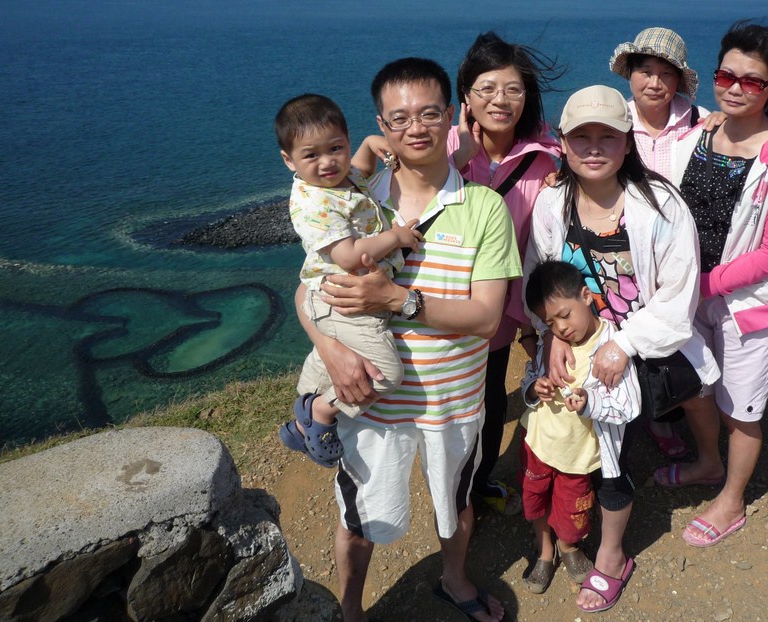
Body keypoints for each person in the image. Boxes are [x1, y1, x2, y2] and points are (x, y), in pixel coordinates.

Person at [306, 58, 519, 622]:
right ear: (381, 123)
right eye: (399, 118)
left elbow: (486, 319)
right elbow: (307, 288)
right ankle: (351, 609)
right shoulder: (355, 200)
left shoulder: (483, 207)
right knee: (359, 514)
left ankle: (454, 579)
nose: (415, 128)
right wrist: (329, 350)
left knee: (456, 503)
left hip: (453, 401)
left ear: (450, 116)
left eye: (428, 114)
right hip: (370, 399)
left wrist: (397, 300)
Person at [524, 85, 720, 613]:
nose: (594, 147)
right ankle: (563, 524)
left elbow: (679, 294)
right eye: (581, 137)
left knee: (614, 453)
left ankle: (611, 555)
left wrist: (625, 344)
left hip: (632, 349)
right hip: (574, 343)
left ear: (627, 142)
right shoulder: (553, 203)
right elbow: (539, 276)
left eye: (607, 136)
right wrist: (549, 334)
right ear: (562, 143)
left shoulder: (659, 204)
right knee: (568, 436)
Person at [662, 22, 768, 548]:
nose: (734, 88)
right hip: (688, 293)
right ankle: (708, 463)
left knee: (740, 408)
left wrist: (704, 284)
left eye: (752, 81)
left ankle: (732, 498)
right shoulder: (694, 136)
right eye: (726, 75)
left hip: (745, 302)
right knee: (697, 389)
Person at [274, 93, 422, 467]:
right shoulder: (315, 203)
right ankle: (321, 412)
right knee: (386, 373)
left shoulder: (342, 178)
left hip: (342, 299)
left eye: (336, 148)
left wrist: (371, 144)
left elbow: (360, 167)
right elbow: (349, 255)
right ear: (289, 160)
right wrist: (397, 237)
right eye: (311, 155)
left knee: (338, 358)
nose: (327, 162)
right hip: (345, 303)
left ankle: (300, 421)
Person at [451, 31, 562, 515]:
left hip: (497, 309)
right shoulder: (439, 148)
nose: (500, 100)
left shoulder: (547, 159)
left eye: (513, 89)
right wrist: (454, 162)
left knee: (491, 399)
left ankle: (477, 484)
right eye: (487, 88)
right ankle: (449, 492)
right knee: (447, 404)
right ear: (466, 96)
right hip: (438, 303)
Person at [607, 26, 709, 458]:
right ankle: (646, 417)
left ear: (679, 80)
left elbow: (752, 142)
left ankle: (674, 417)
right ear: (629, 74)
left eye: (666, 74)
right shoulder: (613, 119)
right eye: (645, 71)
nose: (654, 82)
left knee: (681, 340)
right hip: (626, 250)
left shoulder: (704, 122)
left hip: (684, 253)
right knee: (633, 331)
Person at [518, 260, 639, 596]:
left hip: (578, 455)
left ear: (586, 296)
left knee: (574, 510)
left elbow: (630, 406)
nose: (561, 328)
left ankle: (568, 545)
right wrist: (534, 388)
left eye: (564, 315)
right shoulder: (550, 342)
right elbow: (529, 377)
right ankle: (545, 550)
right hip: (538, 443)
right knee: (535, 499)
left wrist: (590, 403)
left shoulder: (613, 346)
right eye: (549, 323)